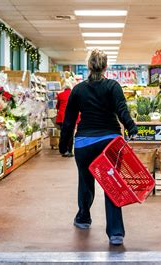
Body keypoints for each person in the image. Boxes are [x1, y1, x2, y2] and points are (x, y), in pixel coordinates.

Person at [59, 49, 138, 246]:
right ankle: (116, 233)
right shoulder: (113, 86)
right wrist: (132, 128)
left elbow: (68, 122)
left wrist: (63, 145)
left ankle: (84, 219)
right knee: (112, 185)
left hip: (85, 143)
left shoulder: (78, 90)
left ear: (88, 66)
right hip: (109, 143)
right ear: (105, 66)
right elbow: (122, 110)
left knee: (85, 182)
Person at [56, 80, 75, 157]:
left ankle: (63, 150)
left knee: (63, 134)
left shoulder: (60, 95)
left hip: (61, 117)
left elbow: (57, 106)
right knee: (70, 134)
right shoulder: (74, 94)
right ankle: (69, 151)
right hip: (71, 117)